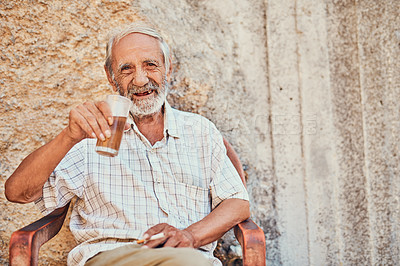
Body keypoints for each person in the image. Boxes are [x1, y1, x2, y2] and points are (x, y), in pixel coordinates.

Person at [5, 21, 250, 266]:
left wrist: (189, 236)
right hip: (113, 258)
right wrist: (68, 137)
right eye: (126, 69)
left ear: (168, 68)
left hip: (186, 258)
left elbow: (237, 203)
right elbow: (18, 192)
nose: (141, 80)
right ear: (111, 79)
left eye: (150, 65)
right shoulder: (93, 134)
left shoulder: (200, 131)